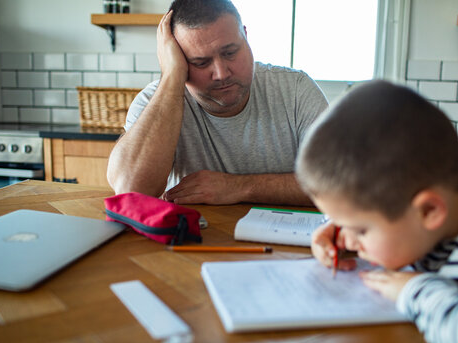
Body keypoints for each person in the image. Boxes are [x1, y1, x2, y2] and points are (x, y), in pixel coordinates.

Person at [295, 80, 458, 343]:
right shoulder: (433, 186)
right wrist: (341, 224)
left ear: (430, 212)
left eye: (360, 229)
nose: (348, 239)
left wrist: (414, 290)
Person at [107, 0, 328, 206]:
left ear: (246, 36)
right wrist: (172, 76)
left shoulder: (296, 89)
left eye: (230, 52)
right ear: (179, 60)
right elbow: (130, 190)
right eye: (200, 62)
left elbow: (338, 182)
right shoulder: (155, 100)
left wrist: (240, 187)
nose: (221, 73)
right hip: (191, 241)